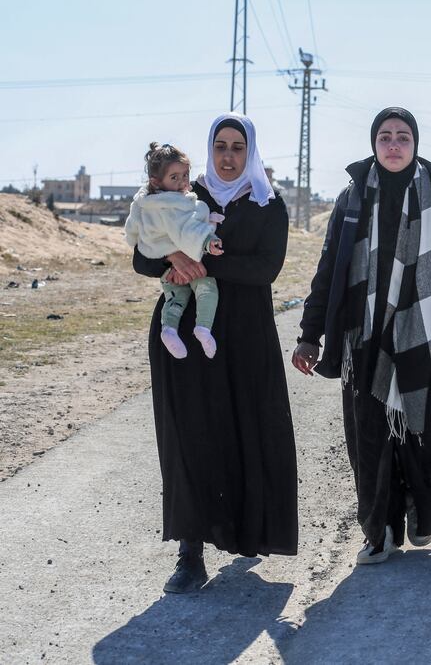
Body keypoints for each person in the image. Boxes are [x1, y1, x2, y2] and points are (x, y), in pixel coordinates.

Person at [292, 107, 431, 565]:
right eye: (385, 137)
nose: (394, 144)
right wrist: (310, 333)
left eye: (402, 136)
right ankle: (378, 531)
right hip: (364, 341)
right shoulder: (353, 198)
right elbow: (329, 272)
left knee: (423, 435)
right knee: (370, 442)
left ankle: (422, 513)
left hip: (426, 338)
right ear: (374, 144)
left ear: (415, 143)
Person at [132, 113, 298, 593]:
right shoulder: (181, 195)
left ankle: (247, 532)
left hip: (245, 335)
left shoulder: (268, 204)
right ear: (210, 148)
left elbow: (266, 269)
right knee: (191, 437)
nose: (228, 156)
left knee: (246, 429)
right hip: (184, 335)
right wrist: (171, 257)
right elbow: (141, 257)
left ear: (250, 153)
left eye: (237, 148)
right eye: (221, 146)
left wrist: (201, 264)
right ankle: (191, 552)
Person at [125, 143, 225, 360]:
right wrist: (206, 243)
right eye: (174, 177)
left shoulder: (143, 203)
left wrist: (158, 251)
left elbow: (132, 231)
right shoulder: (175, 203)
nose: (182, 182)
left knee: (175, 299)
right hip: (185, 267)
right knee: (207, 288)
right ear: (156, 181)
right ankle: (203, 327)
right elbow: (189, 231)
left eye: (185, 175)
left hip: (165, 272)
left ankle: (169, 330)